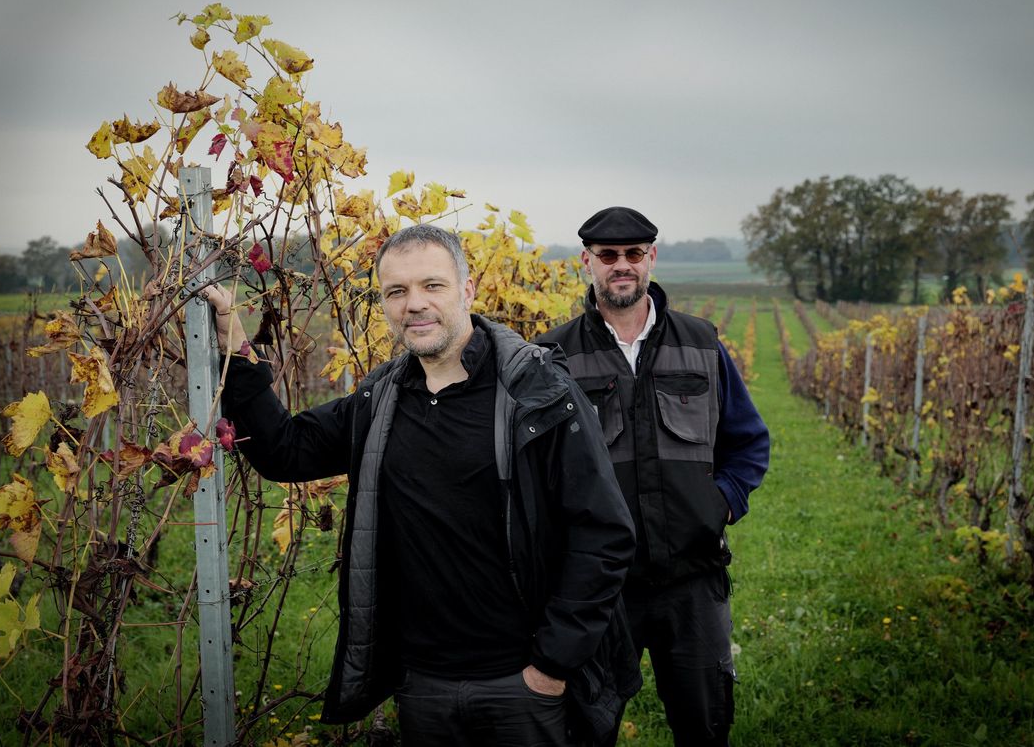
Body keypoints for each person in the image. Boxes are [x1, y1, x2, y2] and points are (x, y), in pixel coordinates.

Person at [202, 224, 639, 746]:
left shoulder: (539, 396)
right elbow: (284, 449)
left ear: (467, 290)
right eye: (396, 291)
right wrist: (235, 344)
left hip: (521, 683)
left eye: (432, 286)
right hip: (423, 683)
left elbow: (604, 535)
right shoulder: (381, 401)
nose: (415, 304)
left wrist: (550, 666)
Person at [536, 206, 771, 747]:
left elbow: (749, 441)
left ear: (652, 259)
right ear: (587, 263)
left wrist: (721, 503)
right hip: (596, 589)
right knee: (586, 728)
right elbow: (537, 467)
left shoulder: (701, 343)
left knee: (705, 726)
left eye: (634, 254)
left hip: (692, 581)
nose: (623, 266)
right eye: (609, 256)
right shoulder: (552, 356)